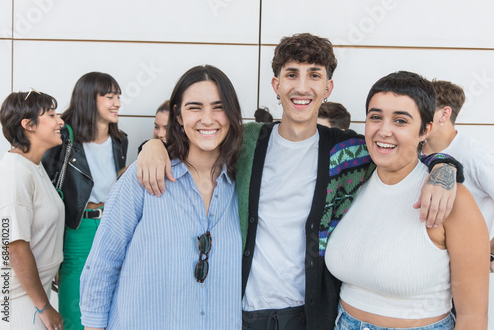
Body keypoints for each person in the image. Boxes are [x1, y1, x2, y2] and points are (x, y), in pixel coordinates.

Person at [136, 33, 462, 330]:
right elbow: (197, 145)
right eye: (292, 74)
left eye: (314, 75)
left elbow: (404, 154)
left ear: (328, 88)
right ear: (276, 85)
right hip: (240, 309)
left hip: (308, 314)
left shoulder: (347, 150)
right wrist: (152, 147)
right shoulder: (246, 141)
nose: (302, 87)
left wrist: (443, 169)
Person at [79, 65, 243, 329]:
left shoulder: (244, 185)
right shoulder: (141, 177)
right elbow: (102, 264)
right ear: (178, 116)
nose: (208, 118)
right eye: (194, 107)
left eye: (218, 107)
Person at [325, 71, 489, 329]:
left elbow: (472, 317)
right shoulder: (349, 183)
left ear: (426, 130)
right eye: (375, 117)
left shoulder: (454, 201)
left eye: (401, 121)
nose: (384, 131)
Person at [42, 72, 128, 330]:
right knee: (74, 311)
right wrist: (52, 251)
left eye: (118, 97)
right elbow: (47, 192)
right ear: (89, 99)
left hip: (111, 228)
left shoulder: (120, 140)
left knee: (109, 305)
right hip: (76, 231)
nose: (117, 103)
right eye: (110, 96)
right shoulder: (63, 137)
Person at [0, 90, 65, 330]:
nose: (61, 121)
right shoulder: (14, 173)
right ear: (28, 125)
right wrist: (45, 308)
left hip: (33, 292)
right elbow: (15, 247)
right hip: (16, 300)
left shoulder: (33, 165)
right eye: (52, 115)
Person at [422, 79, 494, 272]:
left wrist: (491, 251)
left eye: (424, 108)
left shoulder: (477, 157)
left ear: (445, 113)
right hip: (423, 269)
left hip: (461, 272)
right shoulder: (414, 148)